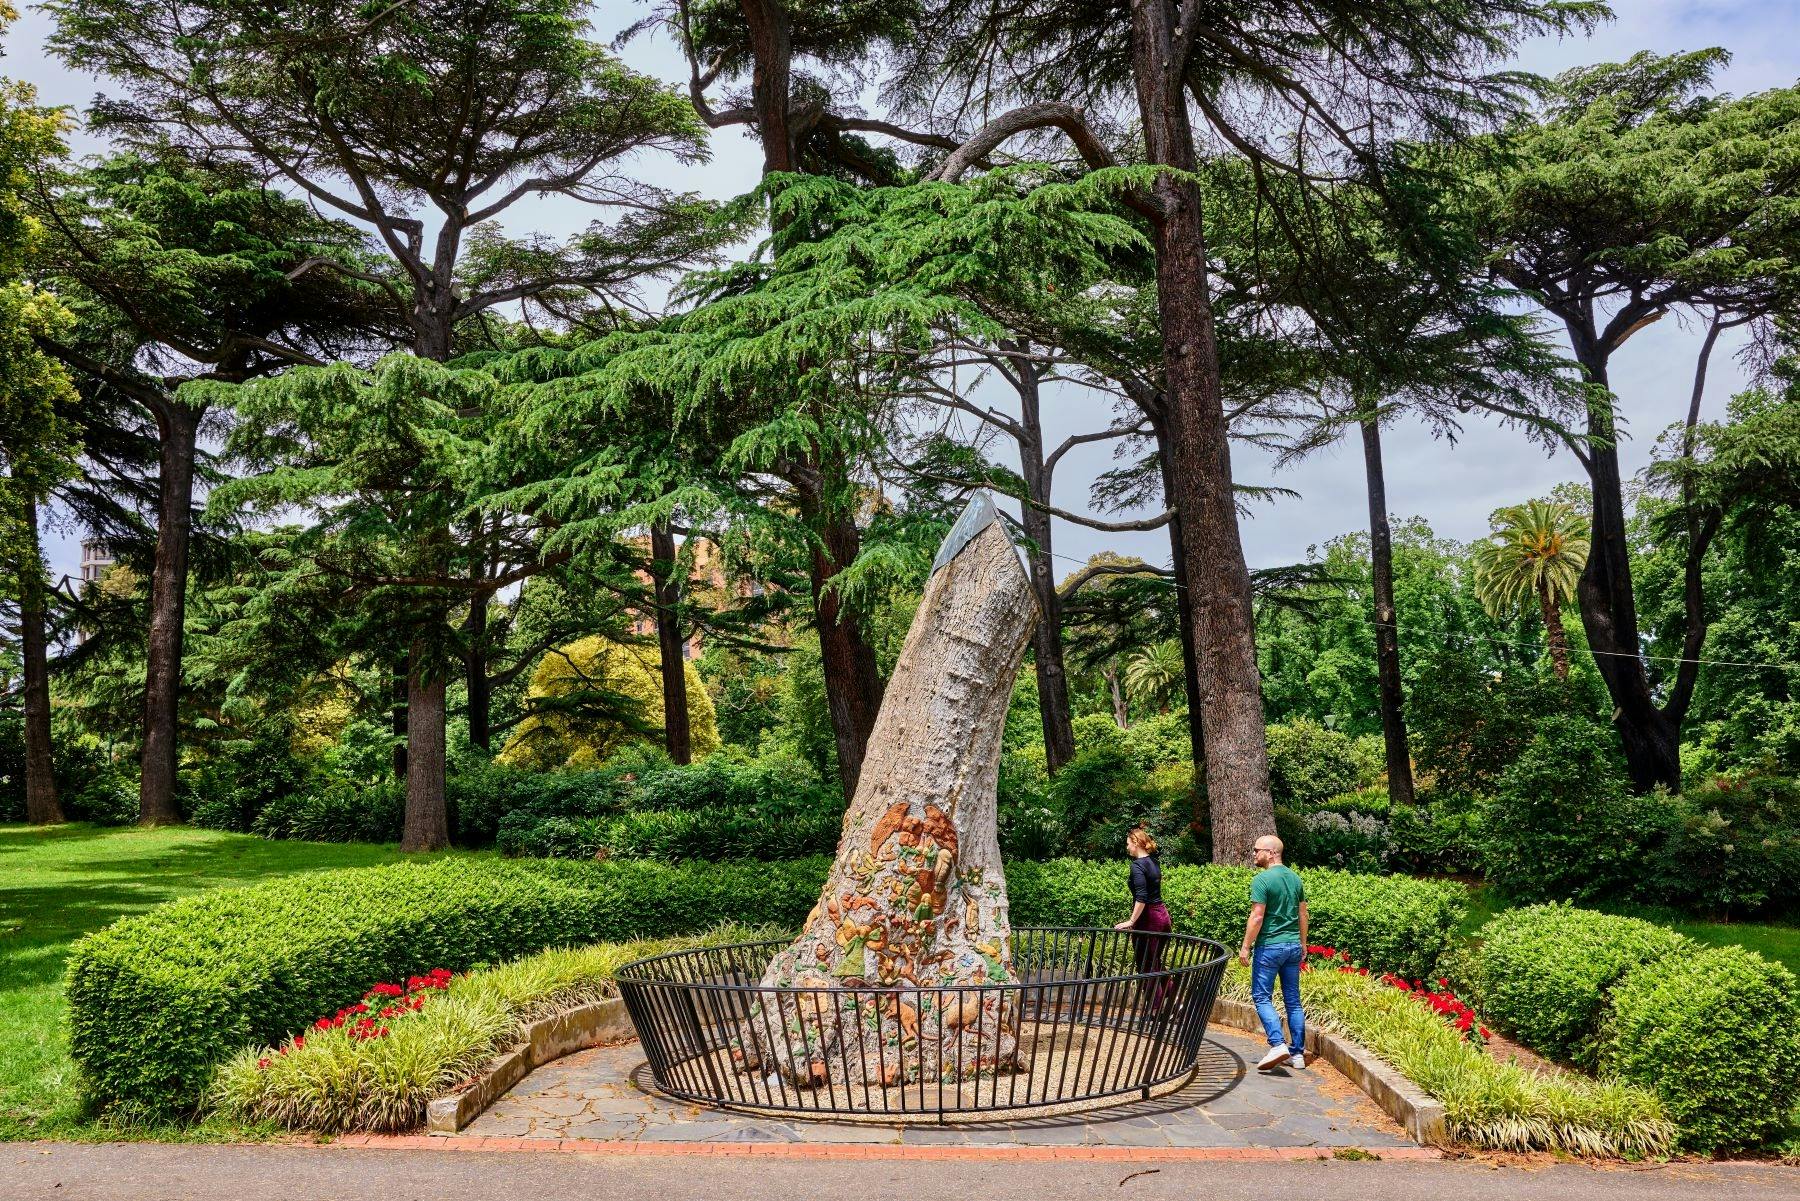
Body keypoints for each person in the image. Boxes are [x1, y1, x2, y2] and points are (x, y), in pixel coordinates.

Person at [1238, 834, 1307, 1071]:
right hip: (1293, 946)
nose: (1254, 854)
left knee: (1261, 996)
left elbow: (1257, 916)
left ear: (1272, 852)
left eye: (1257, 850)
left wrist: (1246, 946)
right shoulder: (1295, 878)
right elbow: (1302, 914)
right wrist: (1303, 943)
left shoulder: (1263, 879)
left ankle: (1277, 1044)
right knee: (1293, 1001)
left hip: (1270, 946)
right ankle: (1297, 1055)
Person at [1114, 827, 1172, 990]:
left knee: (1146, 966)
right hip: (1162, 916)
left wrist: (1131, 921)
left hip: (1149, 919)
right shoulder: (1154, 862)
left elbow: (1142, 897)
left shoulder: (1137, 866)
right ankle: (1173, 999)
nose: (1127, 847)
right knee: (1154, 962)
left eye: (1128, 844)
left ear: (1135, 842)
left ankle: (1155, 1011)